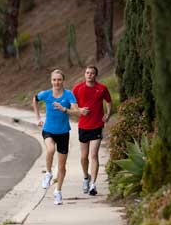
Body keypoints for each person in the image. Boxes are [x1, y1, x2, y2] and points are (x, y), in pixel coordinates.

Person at [32, 69, 87, 205]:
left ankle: (58, 191)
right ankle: (48, 173)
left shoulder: (68, 94)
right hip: (48, 130)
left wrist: (65, 109)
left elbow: (76, 111)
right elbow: (35, 99)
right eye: (54, 80)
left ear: (63, 80)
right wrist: (38, 118)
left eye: (59, 80)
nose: (57, 82)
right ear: (51, 81)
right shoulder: (46, 94)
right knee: (50, 150)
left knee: (62, 166)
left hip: (63, 132)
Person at [72, 65, 112, 196]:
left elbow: (109, 101)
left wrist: (108, 114)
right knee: (84, 157)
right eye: (87, 73)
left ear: (96, 75)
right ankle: (85, 178)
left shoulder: (102, 88)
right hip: (83, 126)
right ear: (85, 74)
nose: (89, 75)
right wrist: (79, 110)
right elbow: (72, 106)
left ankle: (93, 185)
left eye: (92, 73)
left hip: (97, 125)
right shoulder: (78, 88)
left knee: (93, 155)